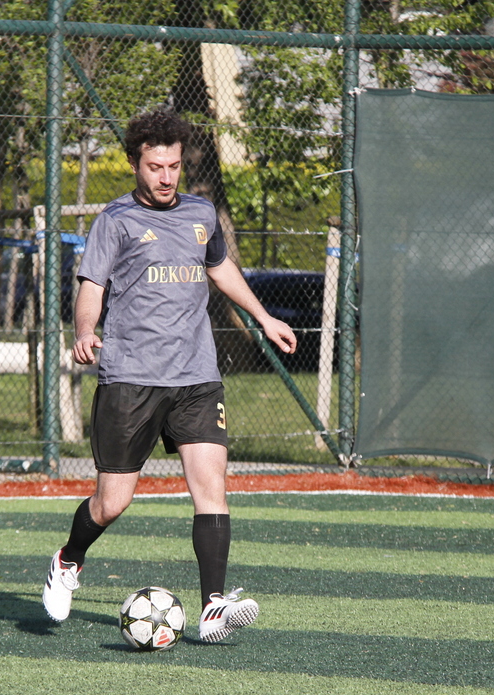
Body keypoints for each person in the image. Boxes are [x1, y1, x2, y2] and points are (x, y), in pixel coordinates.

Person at [42, 108, 297, 643]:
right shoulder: (115, 220)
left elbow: (220, 267)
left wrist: (264, 317)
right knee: (112, 503)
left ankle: (213, 606)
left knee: (211, 488)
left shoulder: (201, 212)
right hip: (131, 377)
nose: (165, 177)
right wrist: (85, 330)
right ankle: (68, 559)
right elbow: (92, 288)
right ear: (135, 164)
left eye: (174, 166)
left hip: (196, 376)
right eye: (155, 167)